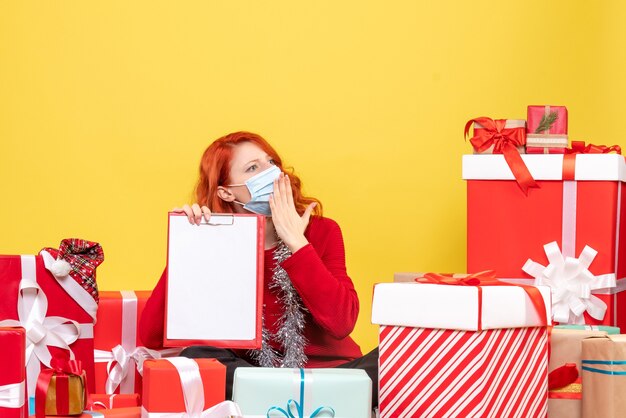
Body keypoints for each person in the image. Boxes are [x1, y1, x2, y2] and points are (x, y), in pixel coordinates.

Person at [138, 131, 378, 405]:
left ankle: (292, 398)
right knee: (194, 356)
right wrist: (189, 246)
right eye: (253, 168)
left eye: (271, 162)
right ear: (226, 192)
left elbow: (342, 323)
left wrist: (298, 244)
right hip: (258, 376)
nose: (272, 173)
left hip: (335, 374)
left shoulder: (323, 230)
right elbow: (151, 336)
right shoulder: (215, 243)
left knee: (395, 360)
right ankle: (304, 399)